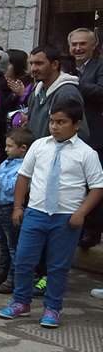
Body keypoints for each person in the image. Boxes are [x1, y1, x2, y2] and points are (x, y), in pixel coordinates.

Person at [0, 102, 103, 328]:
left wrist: (81, 212)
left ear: (76, 124)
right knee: (24, 259)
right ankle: (21, 301)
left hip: (66, 217)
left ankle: (52, 308)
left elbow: (97, 187)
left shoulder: (86, 153)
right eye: (52, 121)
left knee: (58, 266)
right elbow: (24, 176)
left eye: (61, 122)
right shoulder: (39, 146)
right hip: (36, 212)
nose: (54, 126)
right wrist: (18, 207)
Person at [67, 28, 103, 249]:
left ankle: (92, 229)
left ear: (93, 46)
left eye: (83, 44)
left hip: (95, 133)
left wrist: (75, 82)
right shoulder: (67, 67)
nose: (78, 48)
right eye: (74, 44)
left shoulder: (99, 66)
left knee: (93, 180)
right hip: (72, 133)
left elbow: (101, 92)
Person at [0, 128, 34, 294]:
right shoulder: (7, 163)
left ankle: (13, 279)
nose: (6, 149)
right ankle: (3, 272)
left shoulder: (24, 167)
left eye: (9, 146)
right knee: (2, 243)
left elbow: (11, 188)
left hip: (10, 207)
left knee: (13, 245)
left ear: (23, 148)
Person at [25, 46, 87, 140]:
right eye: (31, 63)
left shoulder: (67, 94)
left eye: (39, 63)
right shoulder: (36, 92)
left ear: (54, 64)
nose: (33, 69)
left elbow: (81, 134)